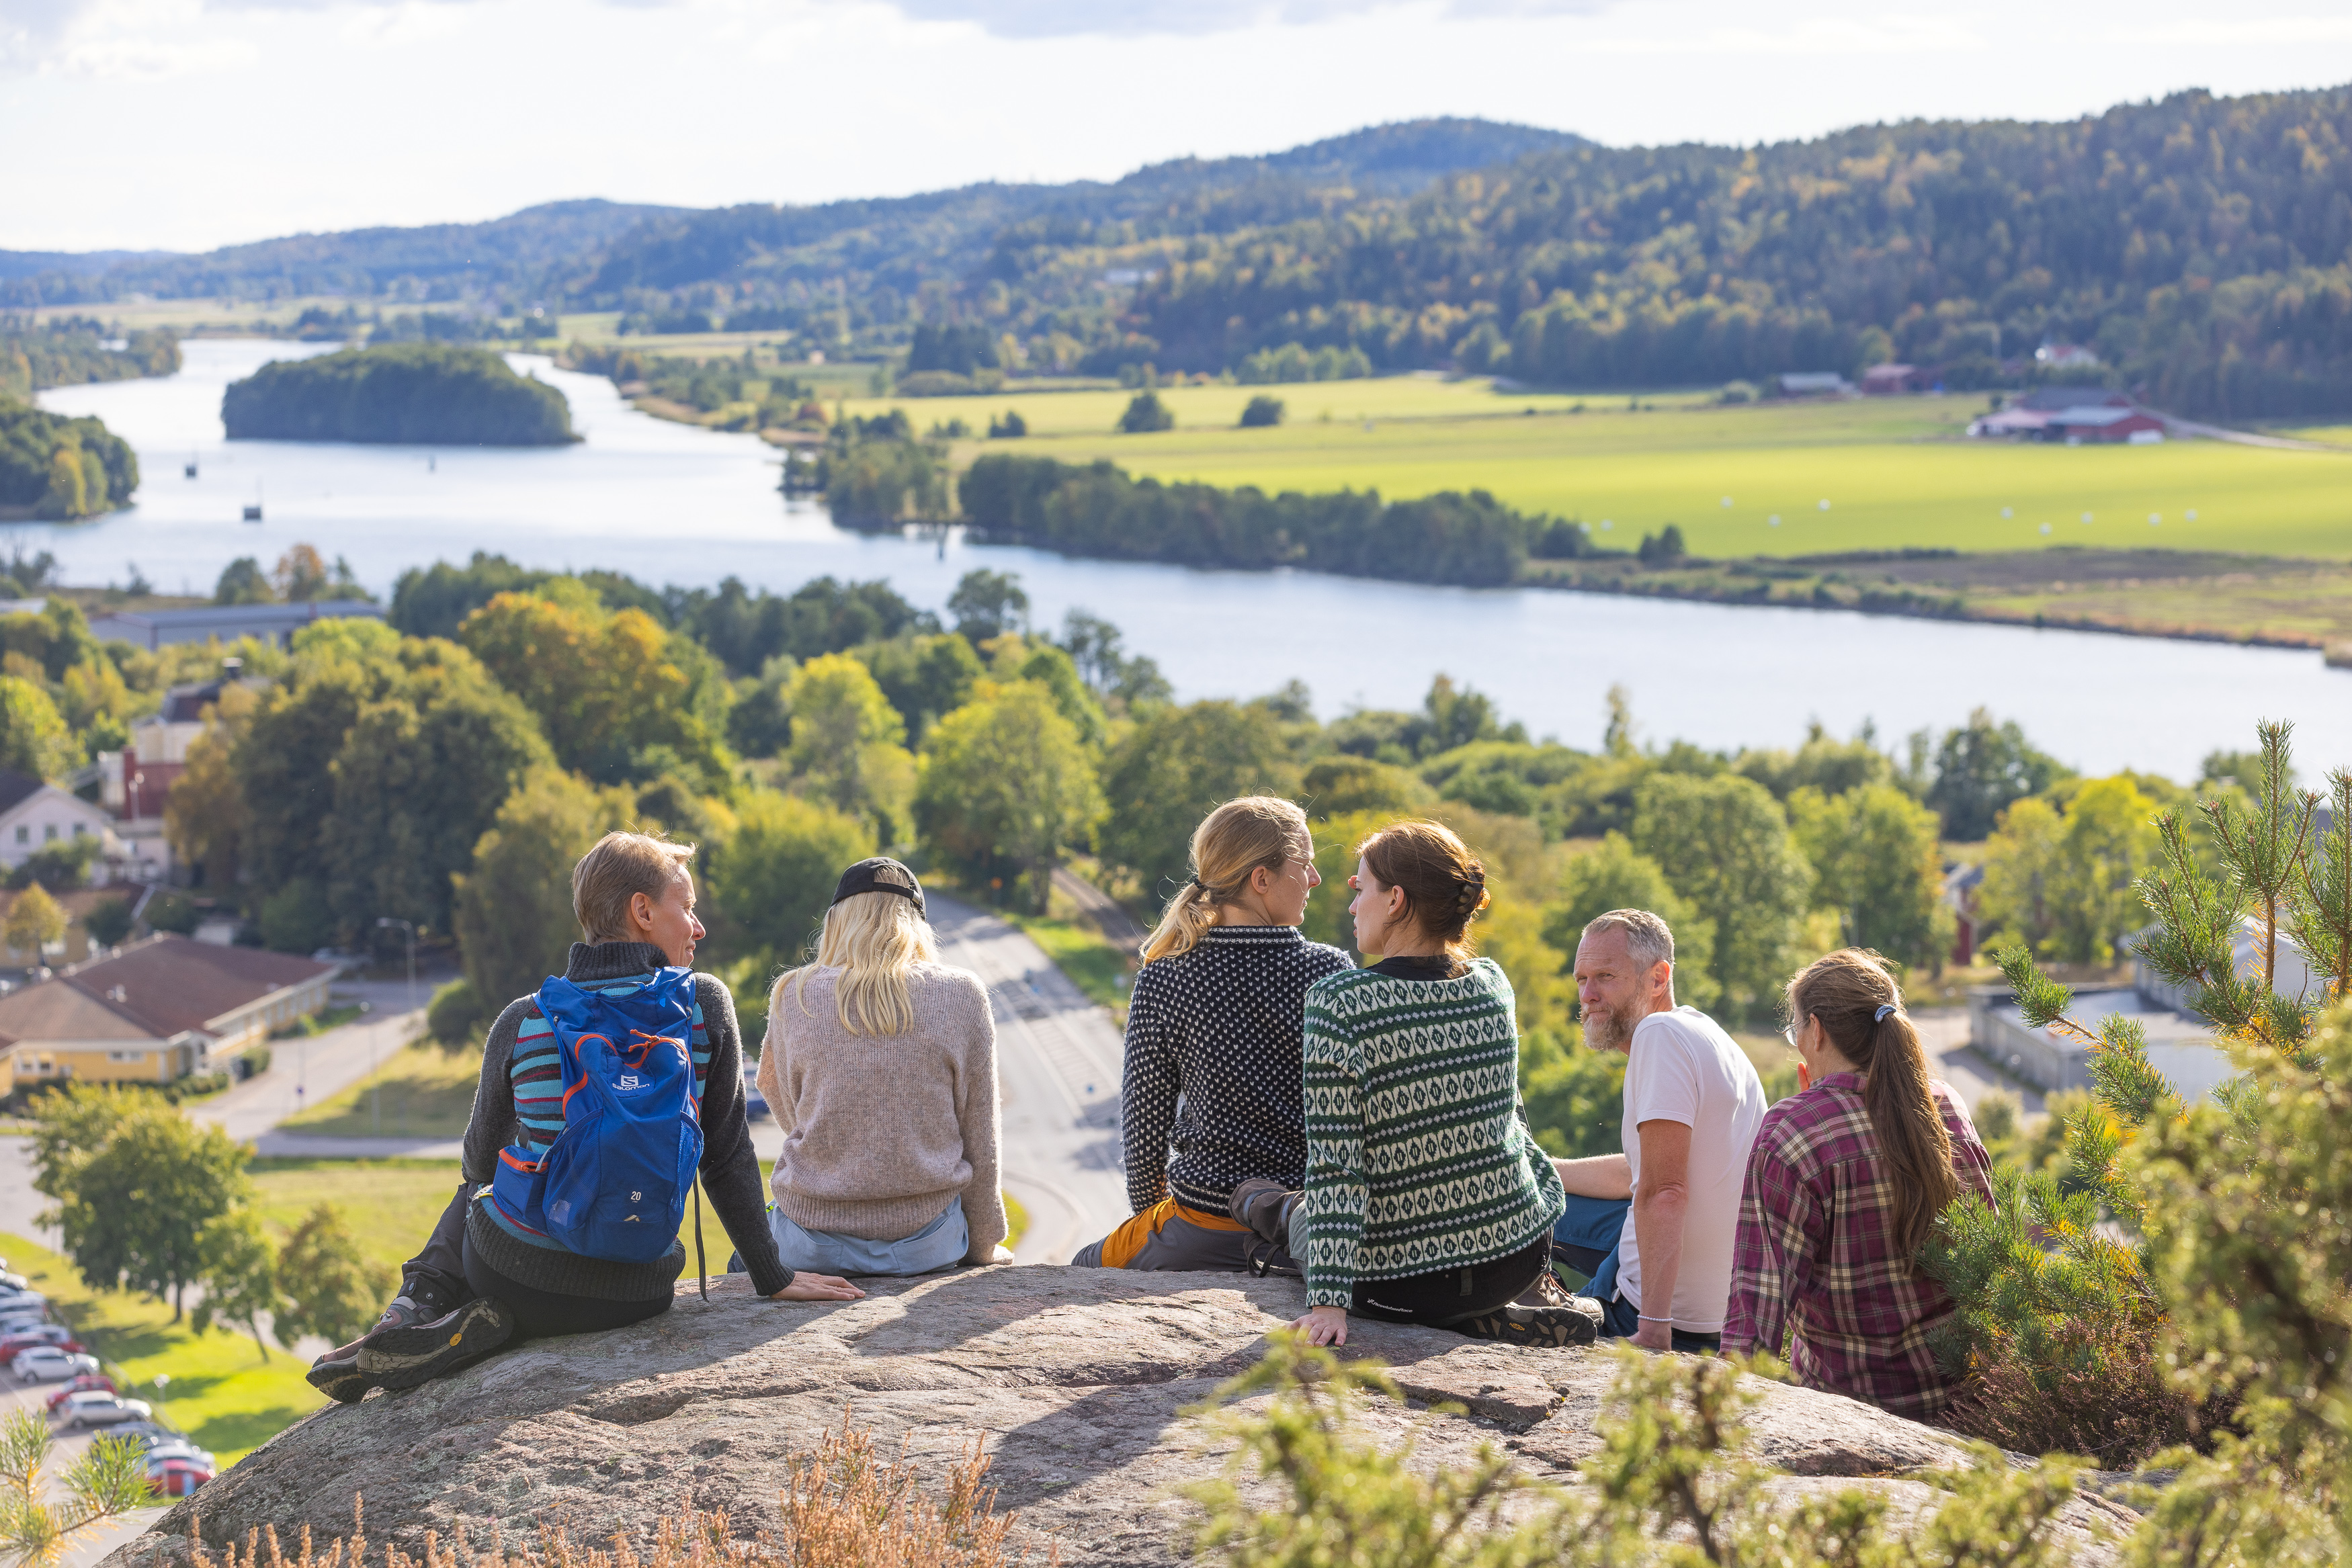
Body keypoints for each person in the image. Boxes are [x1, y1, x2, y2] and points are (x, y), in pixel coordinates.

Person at [307, 832, 862, 1403]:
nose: (698, 927)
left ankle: (415, 1312)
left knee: (477, 1187)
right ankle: (458, 1320)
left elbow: (479, 1161)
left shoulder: (525, 1019)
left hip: (518, 1278)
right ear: (642, 911)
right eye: (688, 907)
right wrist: (774, 1277)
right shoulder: (704, 1005)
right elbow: (726, 1156)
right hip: (638, 1291)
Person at [1282, 819, 1596, 1348]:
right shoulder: (1494, 984)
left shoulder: (1339, 1003)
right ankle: (1494, 1311)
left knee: (1297, 1216)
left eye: (1361, 891)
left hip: (1401, 1290)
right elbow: (1510, 1123)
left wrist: (1328, 1307)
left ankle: (1260, 1203)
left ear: (1397, 900)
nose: (1353, 907)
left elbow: (1338, 1169)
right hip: (1516, 1257)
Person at [1074, 797, 1351, 1271]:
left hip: (1201, 1224)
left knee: (1084, 1265)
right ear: (1261, 880)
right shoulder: (1329, 971)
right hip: (1306, 1231)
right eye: (1304, 864)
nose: (1314, 879)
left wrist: (1156, 1225)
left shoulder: (1166, 975)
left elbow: (1144, 1133)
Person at [1722, 950, 1996, 1416]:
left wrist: (1715, 1429)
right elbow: (1989, 1262)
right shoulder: (1946, 1107)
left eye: (1796, 1032)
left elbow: (1756, 1316)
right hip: (1969, 1412)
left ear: (1818, 1030)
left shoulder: (1792, 1132)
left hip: (1852, 1420)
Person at [758, 857, 1013, 1275]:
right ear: (915, 924)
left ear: (837, 921)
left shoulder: (793, 993)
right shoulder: (961, 994)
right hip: (929, 1243)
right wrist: (985, 1244)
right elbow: (979, 1132)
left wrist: (840, 1141)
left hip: (809, 1244)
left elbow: (781, 1095)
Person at [1552, 909, 1767, 1354]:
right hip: (1722, 1313)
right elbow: (1638, 1173)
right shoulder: (1707, 1034)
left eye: (1606, 977)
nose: (1587, 995)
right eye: (1581, 980)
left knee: (1517, 1212)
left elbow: (1666, 1191)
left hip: (1654, 1315)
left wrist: (1652, 1328)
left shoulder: (1659, 1035)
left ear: (1658, 976)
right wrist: (1539, 1167)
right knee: (1538, 1190)